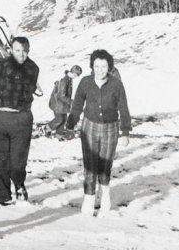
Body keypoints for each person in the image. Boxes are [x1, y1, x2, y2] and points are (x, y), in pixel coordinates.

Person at [66, 49, 131, 217]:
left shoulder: (116, 84)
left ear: (109, 67)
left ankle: (105, 197)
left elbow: (123, 108)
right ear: (92, 66)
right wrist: (71, 123)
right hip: (89, 127)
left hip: (110, 128)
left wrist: (125, 132)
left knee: (105, 165)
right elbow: (78, 105)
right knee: (90, 165)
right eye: (97, 66)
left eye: (104, 66)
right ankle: (89, 199)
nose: (100, 70)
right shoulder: (86, 82)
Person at [0, 35, 40, 205]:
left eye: (25, 50)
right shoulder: (1, 65)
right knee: (1, 160)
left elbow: (20, 79)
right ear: (11, 49)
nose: (21, 54)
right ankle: (3, 197)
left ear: (29, 50)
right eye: (17, 50)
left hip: (21, 118)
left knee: (18, 163)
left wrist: (6, 64)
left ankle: (19, 183)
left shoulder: (32, 68)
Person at [46, 65, 81, 133]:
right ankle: (45, 128)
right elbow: (61, 96)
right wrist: (71, 102)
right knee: (59, 119)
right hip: (58, 104)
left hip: (62, 104)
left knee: (64, 119)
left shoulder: (69, 79)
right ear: (73, 73)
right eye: (77, 75)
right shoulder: (65, 81)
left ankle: (59, 134)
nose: (76, 77)